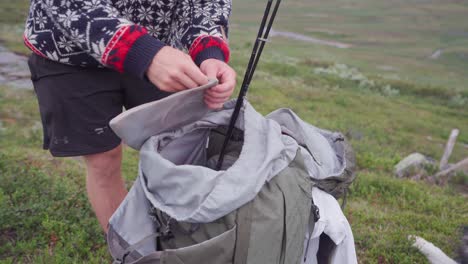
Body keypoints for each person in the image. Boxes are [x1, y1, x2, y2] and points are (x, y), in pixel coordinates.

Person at [24, 0, 236, 232]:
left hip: (160, 50)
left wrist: (209, 51)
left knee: (178, 149)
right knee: (103, 160)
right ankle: (131, 252)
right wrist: (141, 52)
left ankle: (180, 243)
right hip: (70, 51)